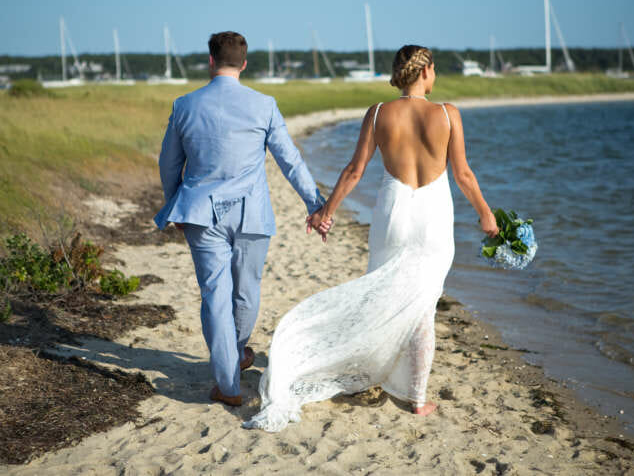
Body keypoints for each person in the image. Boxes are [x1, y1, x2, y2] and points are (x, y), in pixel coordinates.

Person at [244, 45, 499, 432]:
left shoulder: (379, 113)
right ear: (426, 71)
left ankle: (379, 368)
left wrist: (326, 212)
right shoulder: (448, 114)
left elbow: (353, 170)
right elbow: (463, 174)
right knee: (422, 305)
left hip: (393, 211)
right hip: (433, 216)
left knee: (382, 293)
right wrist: (485, 213)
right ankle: (415, 396)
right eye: (434, 70)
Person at [155, 31, 328, 407]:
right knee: (246, 292)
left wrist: (175, 206)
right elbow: (290, 159)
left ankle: (229, 383)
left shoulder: (184, 105)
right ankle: (233, 360)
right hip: (251, 213)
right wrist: (315, 205)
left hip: (200, 213)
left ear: (211, 61)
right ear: (244, 64)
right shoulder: (264, 104)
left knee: (215, 297)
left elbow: (168, 163)